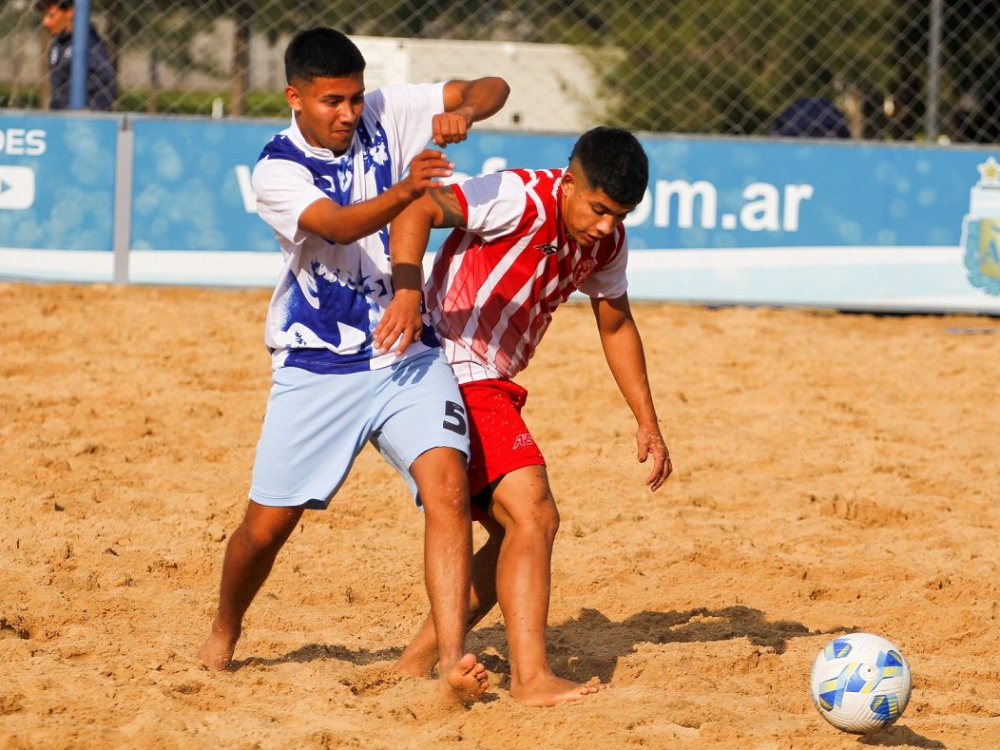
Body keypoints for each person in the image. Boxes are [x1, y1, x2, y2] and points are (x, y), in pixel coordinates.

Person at [197, 27, 510, 705]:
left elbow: (494, 86)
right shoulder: (277, 168)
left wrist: (467, 111)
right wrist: (407, 191)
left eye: (354, 97)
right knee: (266, 528)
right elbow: (339, 225)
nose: (348, 113)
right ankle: (225, 627)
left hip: (405, 354)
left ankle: (453, 658)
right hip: (317, 365)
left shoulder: (385, 110)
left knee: (449, 491)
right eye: (332, 101)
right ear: (295, 97)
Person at [374, 126, 673, 706]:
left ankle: (413, 664)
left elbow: (614, 323)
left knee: (515, 530)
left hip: (491, 380)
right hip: (450, 364)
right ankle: (532, 679)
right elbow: (413, 206)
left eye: (623, 214)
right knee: (534, 513)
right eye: (600, 208)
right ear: (568, 181)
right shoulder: (517, 196)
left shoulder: (607, 243)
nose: (608, 225)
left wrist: (648, 421)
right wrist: (408, 293)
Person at [37, 0, 117, 111]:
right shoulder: (57, 44)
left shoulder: (89, 44)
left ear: (70, 12)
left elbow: (107, 82)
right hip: (60, 120)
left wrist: (89, 115)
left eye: (51, 15)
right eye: (44, 16)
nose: (45, 22)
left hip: (82, 123)